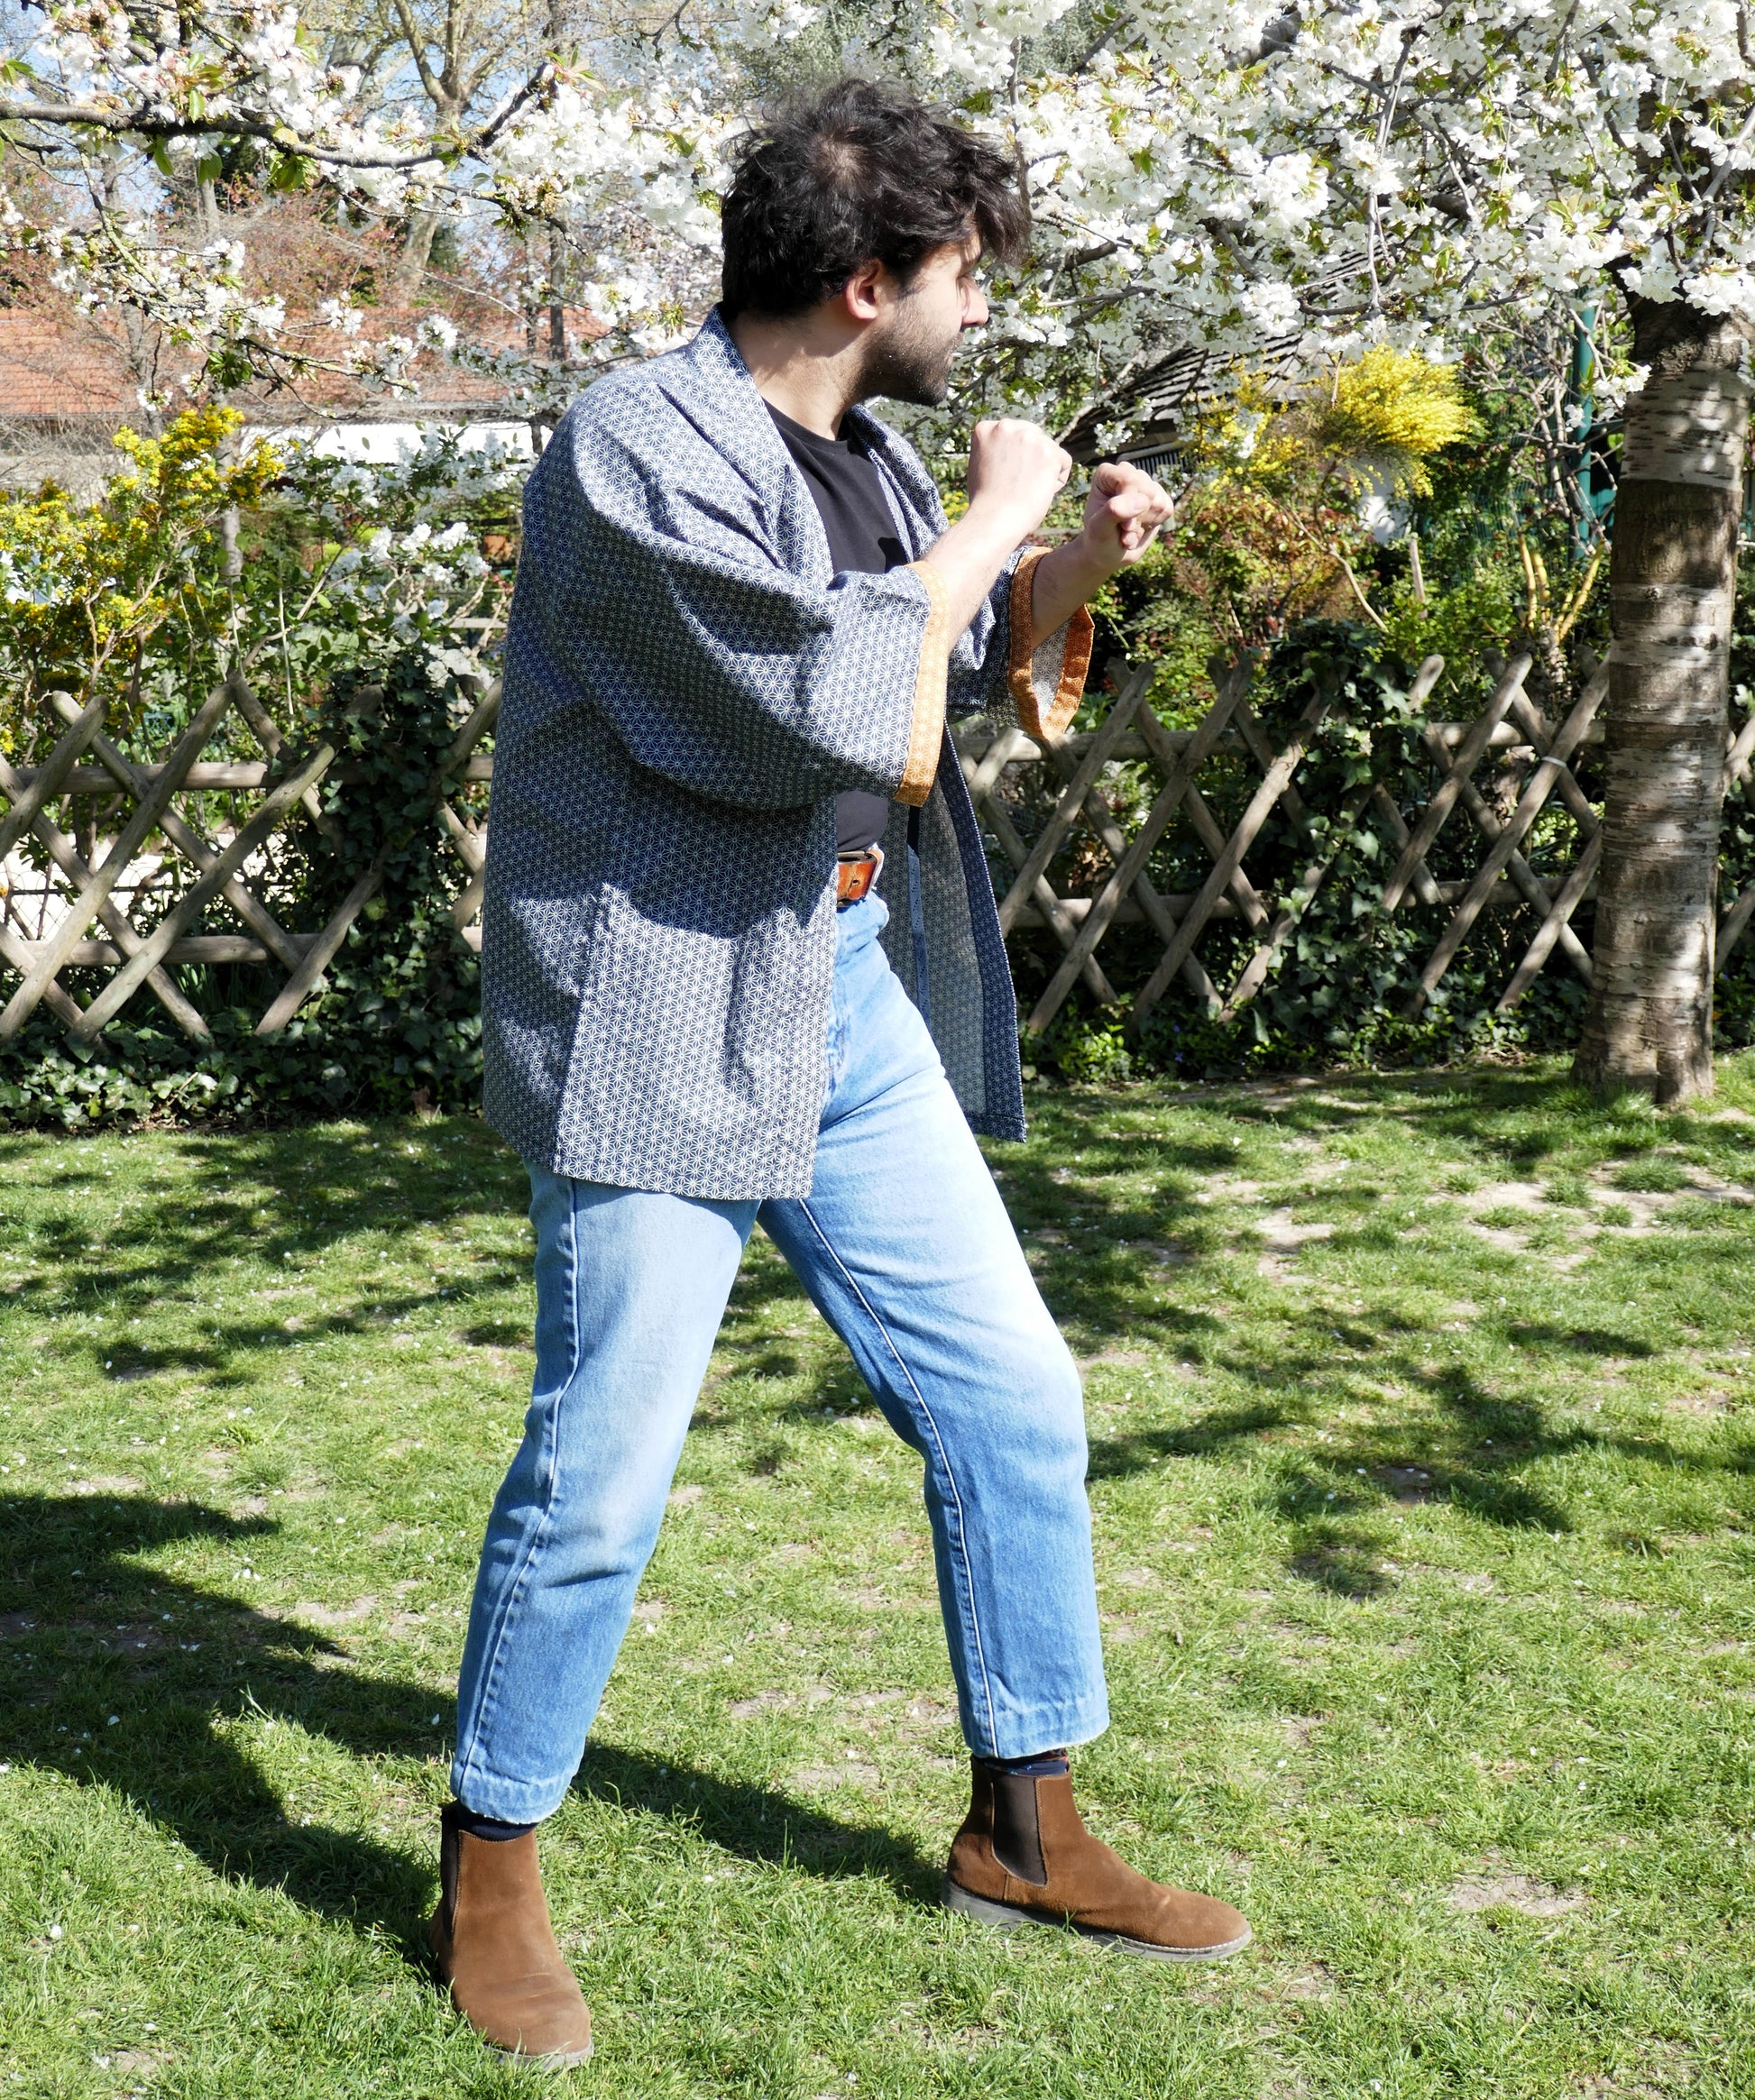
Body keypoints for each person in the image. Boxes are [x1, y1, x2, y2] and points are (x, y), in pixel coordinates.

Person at [428, 76, 1251, 2068]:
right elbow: (821, 699)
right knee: (606, 1461)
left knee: (1010, 1389)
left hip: (837, 987)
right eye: (967, 276)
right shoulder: (637, 446)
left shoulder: (860, 458)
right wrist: (995, 515)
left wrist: (1057, 577)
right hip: (655, 1004)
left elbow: (936, 682)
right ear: (871, 278)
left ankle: (1026, 1824)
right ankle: (487, 1870)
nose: (983, 312)